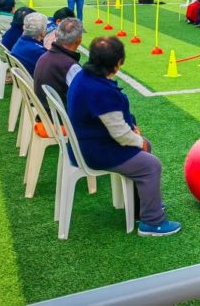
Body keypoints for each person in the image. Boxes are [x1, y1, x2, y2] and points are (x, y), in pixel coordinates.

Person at [67, 37, 181, 237]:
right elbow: (120, 134)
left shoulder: (83, 76)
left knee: (145, 153)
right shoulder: (100, 91)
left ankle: (143, 206)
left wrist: (132, 129)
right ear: (118, 63)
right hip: (94, 150)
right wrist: (139, 140)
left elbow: (113, 122)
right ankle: (152, 223)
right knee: (151, 164)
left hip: (84, 141)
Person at [33, 17, 83, 111]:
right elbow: (85, 96)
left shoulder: (44, 56)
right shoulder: (70, 66)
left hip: (46, 113)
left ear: (56, 34)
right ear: (79, 40)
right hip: (62, 119)